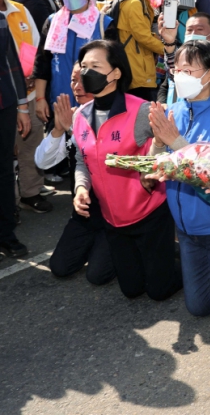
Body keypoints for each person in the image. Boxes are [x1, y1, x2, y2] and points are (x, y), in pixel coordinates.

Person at [72, 40, 182, 301]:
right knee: (132, 290)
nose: (88, 73)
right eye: (84, 66)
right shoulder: (80, 116)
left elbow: (168, 150)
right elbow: (81, 159)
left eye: (96, 66)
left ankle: (184, 260)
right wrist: (80, 188)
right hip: (113, 220)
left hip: (150, 213)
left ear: (116, 72)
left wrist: (150, 171)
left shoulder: (141, 110)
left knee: (158, 291)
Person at [148, 40, 210, 325]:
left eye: (188, 70)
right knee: (197, 308)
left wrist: (174, 141)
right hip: (185, 231)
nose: (180, 76)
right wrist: (157, 140)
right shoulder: (174, 110)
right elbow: (152, 166)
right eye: (177, 69)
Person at [38, 63, 115, 283]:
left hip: (116, 215)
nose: (77, 86)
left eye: (84, 80)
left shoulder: (120, 113)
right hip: (85, 212)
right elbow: (42, 161)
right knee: (60, 267)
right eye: (73, 80)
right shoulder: (72, 116)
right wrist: (59, 129)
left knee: (98, 275)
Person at [33, 0, 112, 118]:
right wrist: (40, 98)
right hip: (59, 105)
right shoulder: (52, 22)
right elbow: (42, 62)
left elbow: (115, 67)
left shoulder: (104, 24)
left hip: (95, 107)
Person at [0, 0, 32, 258]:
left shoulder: (3, 17)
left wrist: (23, 107)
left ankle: (6, 234)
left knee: (4, 171)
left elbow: (11, 62)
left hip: (5, 104)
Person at [107, 0, 165, 101]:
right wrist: (167, 50)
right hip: (138, 68)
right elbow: (142, 36)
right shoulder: (134, 3)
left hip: (131, 63)